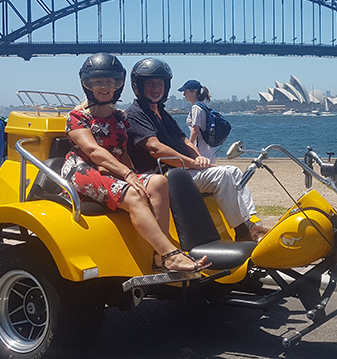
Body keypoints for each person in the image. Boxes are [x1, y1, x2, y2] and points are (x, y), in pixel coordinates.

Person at [60, 53, 208, 272]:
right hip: (83, 170)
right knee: (134, 194)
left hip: (114, 170)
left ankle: (159, 254)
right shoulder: (77, 117)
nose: (104, 87)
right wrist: (128, 175)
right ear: (87, 84)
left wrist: (136, 174)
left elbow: (123, 151)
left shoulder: (120, 117)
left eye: (111, 82)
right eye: (97, 82)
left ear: (118, 86)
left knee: (157, 182)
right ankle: (170, 254)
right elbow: (93, 151)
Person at [125, 58, 267, 241]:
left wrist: (200, 158)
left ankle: (252, 224)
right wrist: (192, 163)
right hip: (163, 176)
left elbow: (183, 140)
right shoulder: (135, 114)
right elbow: (155, 148)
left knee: (234, 171)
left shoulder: (161, 112)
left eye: (159, 83)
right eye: (150, 83)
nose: (156, 88)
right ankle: (242, 232)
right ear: (138, 86)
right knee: (222, 176)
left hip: (180, 171)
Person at [178, 79, 216, 164]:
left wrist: (188, 146)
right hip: (208, 149)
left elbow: (195, 130)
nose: (183, 94)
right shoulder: (202, 106)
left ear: (194, 91)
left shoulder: (196, 108)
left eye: (185, 91)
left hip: (200, 150)